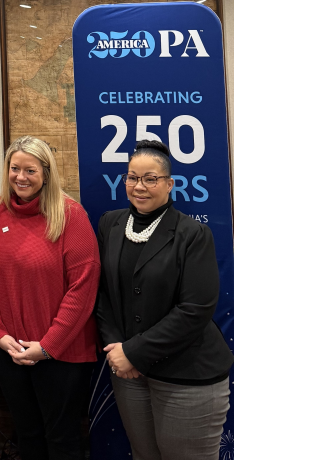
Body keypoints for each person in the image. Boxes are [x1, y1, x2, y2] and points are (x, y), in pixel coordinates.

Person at [95, 140, 232, 460]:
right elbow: (102, 294)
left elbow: (195, 310)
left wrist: (133, 351)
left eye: (150, 178)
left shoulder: (193, 234)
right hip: (128, 374)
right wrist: (117, 349)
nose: (139, 186)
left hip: (188, 375)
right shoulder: (109, 224)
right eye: (131, 177)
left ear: (169, 184)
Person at [0, 135, 100, 460]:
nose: (20, 177)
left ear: (46, 172)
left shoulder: (71, 215)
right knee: (26, 436)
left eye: (30, 170)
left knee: (62, 440)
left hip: (61, 354)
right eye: (15, 168)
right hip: (10, 351)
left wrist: (46, 347)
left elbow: (82, 289)